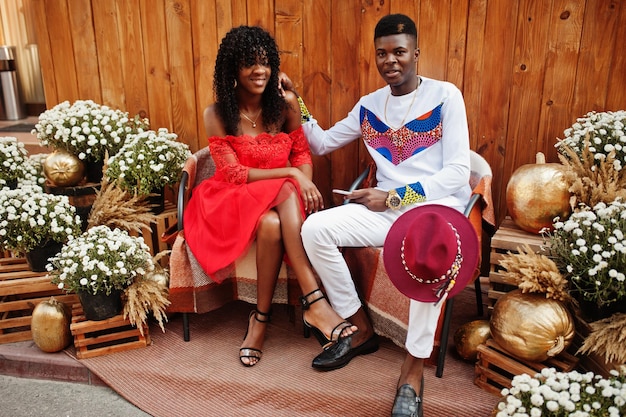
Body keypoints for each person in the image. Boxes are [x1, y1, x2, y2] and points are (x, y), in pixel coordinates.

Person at [292, 14, 473, 416]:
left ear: (416, 54)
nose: (390, 60)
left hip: (432, 215)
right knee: (315, 228)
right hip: (386, 213)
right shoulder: (369, 105)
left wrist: (394, 196)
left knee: (430, 257)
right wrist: (297, 103)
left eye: (399, 52)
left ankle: (413, 370)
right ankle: (359, 329)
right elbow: (320, 144)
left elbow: (459, 173)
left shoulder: (445, 96)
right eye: (382, 53)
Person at [183, 25, 356, 368]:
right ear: (232, 69)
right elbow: (233, 175)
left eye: (265, 62)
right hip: (229, 200)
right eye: (249, 63)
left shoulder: (287, 104)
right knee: (284, 190)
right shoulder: (216, 113)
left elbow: (303, 156)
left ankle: (259, 321)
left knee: (272, 223)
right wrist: (291, 176)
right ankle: (315, 302)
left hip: (277, 205)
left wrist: (301, 179)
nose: (259, 70)